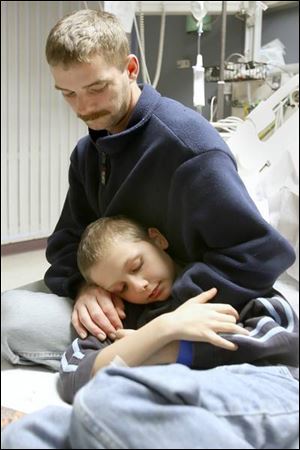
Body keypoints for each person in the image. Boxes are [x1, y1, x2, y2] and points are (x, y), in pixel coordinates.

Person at [1, 8, 297, 372]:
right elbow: (67, 242)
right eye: (68, 94)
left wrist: (163, 319)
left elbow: (259, 254)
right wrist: (85, 288)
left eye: (96, 88)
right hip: (120, 298)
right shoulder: (88, 153)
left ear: (130, 69)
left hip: (166, 305)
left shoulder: (188, 149)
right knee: (6, 306)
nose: (84, 108)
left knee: (12, 323)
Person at [1, 216, 299, 449]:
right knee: (23, 437)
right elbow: (73, 376)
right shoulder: (123, 314)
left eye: (138, 265)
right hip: (169, 397)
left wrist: (170, 349)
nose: (139, 286)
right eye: (120, 288)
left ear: (157, 239)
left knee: (104, 401)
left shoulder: (214, 283)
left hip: (262, 383)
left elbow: (283, 340)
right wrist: (160, 329)